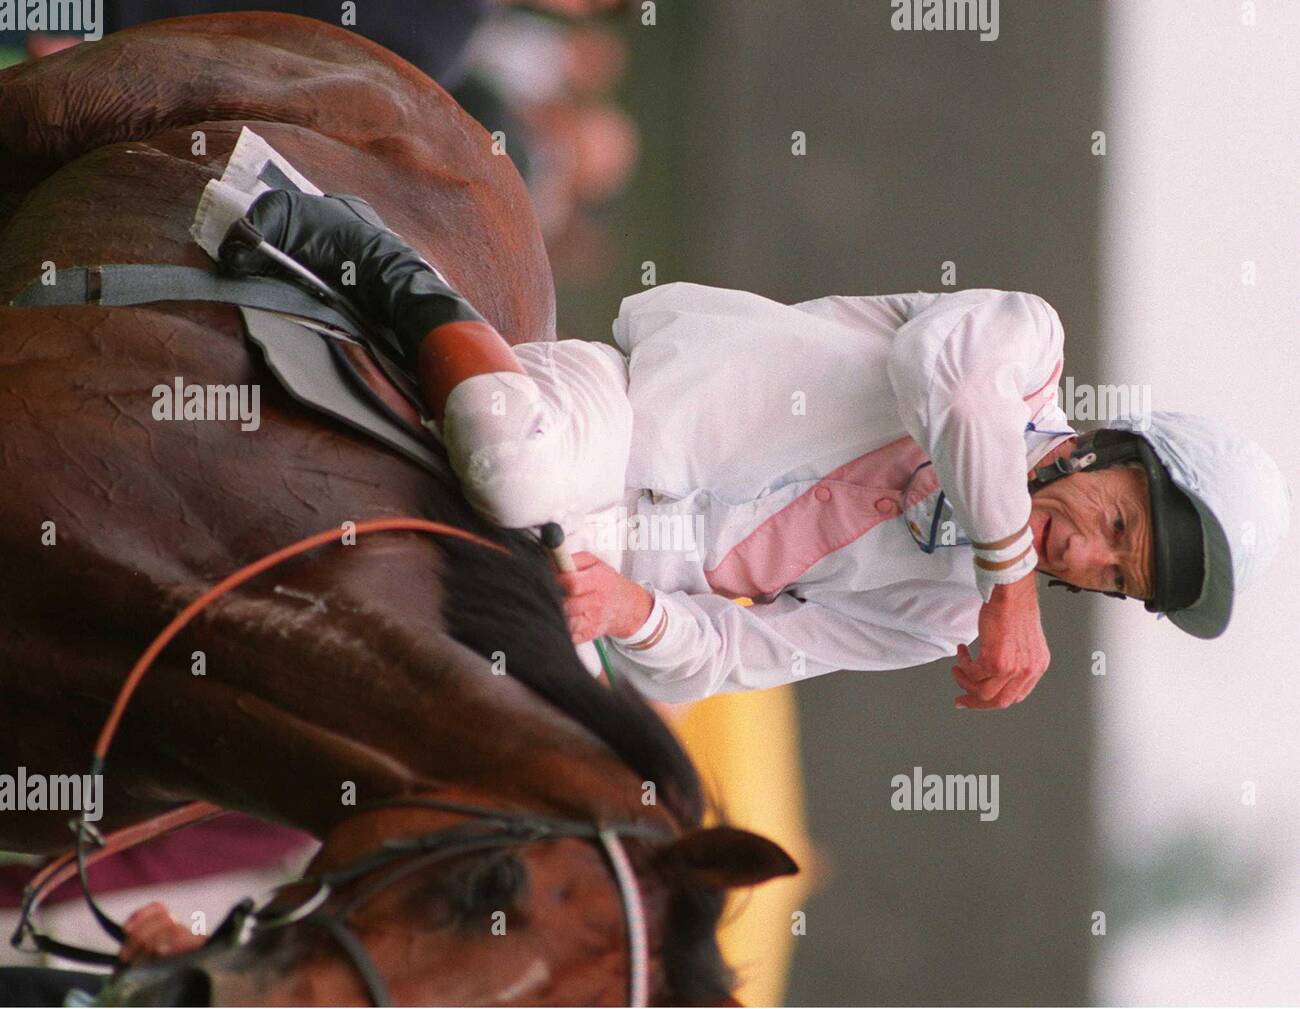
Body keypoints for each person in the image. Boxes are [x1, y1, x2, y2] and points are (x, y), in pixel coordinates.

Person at [219, 190, 1291, 708]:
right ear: (1112, 449)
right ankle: (372, 255)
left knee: (518, 747)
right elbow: (938, 377)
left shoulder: (940, 619)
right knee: (512, 458)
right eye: (1117, 527)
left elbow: (744, 655)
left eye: (1117, 576)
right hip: (616, 416)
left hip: (613, 567)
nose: (1087, 561)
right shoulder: (1021, 349)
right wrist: (1010, 581)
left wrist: (627, 611)